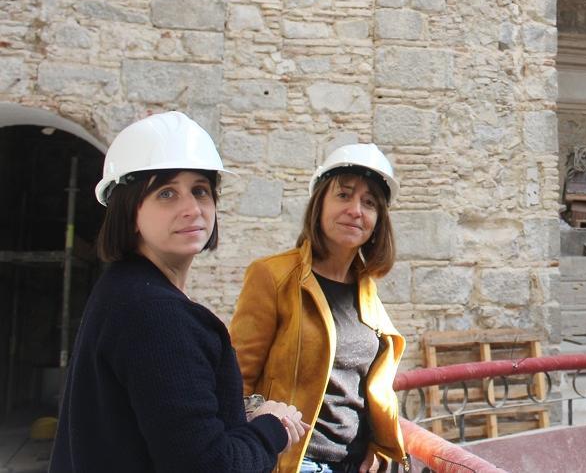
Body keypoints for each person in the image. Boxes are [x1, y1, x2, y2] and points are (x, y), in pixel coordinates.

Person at [50, 111, 307, 472]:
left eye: (200, 190)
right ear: (130, 210)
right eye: (167, 193)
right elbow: (210, 466)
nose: (191, 209)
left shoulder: (122, 290)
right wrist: (272, 427)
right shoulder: (155, 315)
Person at [231, 143, 409, 473]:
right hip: (295, 461)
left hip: (355, 464)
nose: (356, 209)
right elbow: (235, 381)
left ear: (378, 220)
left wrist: (379, 447)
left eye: (369, 203)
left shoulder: (366, 291)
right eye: (343, 195)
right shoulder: (273, 276)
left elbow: (365, 389)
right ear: (319, 204)